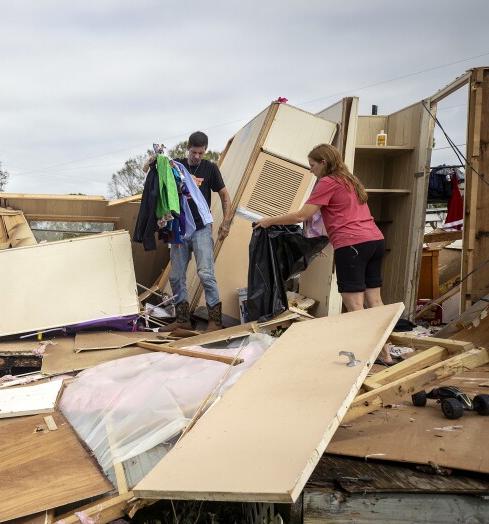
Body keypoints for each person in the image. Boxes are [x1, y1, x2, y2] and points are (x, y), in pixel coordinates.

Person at [254, 143, 395, 365]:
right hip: (374, 241)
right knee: (375, 301)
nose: (311, 170)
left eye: (312, 165)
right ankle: (386, 354)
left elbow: (302, 216)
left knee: (355, 304)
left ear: (324, 163)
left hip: (352, 245)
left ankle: (368, 354)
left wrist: (269, 220)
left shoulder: (328, 182)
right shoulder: (350, 180)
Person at [145, 131, 234, 331]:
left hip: (201, 228)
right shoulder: (175, 165)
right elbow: (147, 172)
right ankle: (183, 320)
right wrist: (153, 161)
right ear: (188, 148)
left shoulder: (210, 169)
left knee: (206, 273)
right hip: (180, 229)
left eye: (201, 153)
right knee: (176, 276)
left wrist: (226, 223)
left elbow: (225, 195)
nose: (197, 157)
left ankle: (214, 322)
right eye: (194, 152)